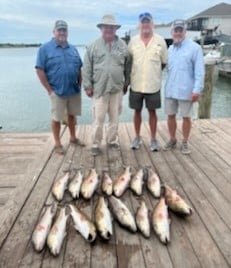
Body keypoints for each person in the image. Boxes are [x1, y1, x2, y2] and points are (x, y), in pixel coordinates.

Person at [82, 14, 129, 156]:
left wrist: (126, 83)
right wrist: (87, 86)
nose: (109, 29)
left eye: (112, 27)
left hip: (116, 88)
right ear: (101, 28)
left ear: (116, 29)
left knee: (114, 118)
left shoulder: (122, 46)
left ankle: (112, 141)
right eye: (106, 27)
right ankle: (96, 143)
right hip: (99, 89)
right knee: (98, 118)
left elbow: (128, 66)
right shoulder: (92, 46)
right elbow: (87, 68)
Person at [35, 20, 85, 154]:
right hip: (57, 91)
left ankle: (73, 138)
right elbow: (40, 70)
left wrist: (80, 83)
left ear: (67, 32)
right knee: (56, 118)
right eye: (59, 30)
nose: (62, 32)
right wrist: (49, 90)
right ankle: (57, 143)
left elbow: (79, 67)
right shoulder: (44, 49)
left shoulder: (73, 49)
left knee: (72, 116)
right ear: (54, 32)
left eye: (64, 30)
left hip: (74, 90)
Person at [164, 19, 205, 154]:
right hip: (170, 89)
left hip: (186, 91)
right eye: (176, 30)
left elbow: (200, 72)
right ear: (172, 32)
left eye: (181, 30)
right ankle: (172, 139)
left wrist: (197, 90)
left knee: (186, 117)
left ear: (185, 32)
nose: (178, 33)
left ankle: (185, 142)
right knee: (170, 115)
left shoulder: (195, 48)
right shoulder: (169, 49)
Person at [128, 12, 167, 151]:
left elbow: (163, 63)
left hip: (153, 85)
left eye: (148, 22)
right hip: (136, 84)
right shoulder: (132, 41)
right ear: (139, 25)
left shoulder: (160, 41)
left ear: (152, 24)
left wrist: (153, 73)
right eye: (143, 22)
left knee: (153, 112)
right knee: (136, 112)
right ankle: (137, 137)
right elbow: (129, 61)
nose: (145, 24)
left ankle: (153, 138)